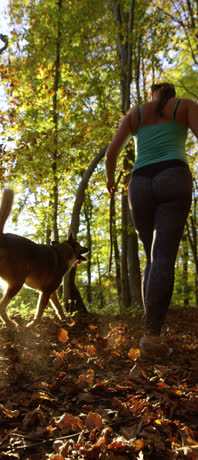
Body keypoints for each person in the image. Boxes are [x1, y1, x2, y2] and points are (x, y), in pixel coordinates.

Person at [104, 82, 198, 359]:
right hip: (174, 177)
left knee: (152, 257)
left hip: (140, 184)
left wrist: (111, 181)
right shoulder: (185, 106)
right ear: (172, 94)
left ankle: (150, 333)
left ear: (152, 95)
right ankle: (152, 335)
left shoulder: (136, 113)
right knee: (163, 257)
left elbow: (111, 154)